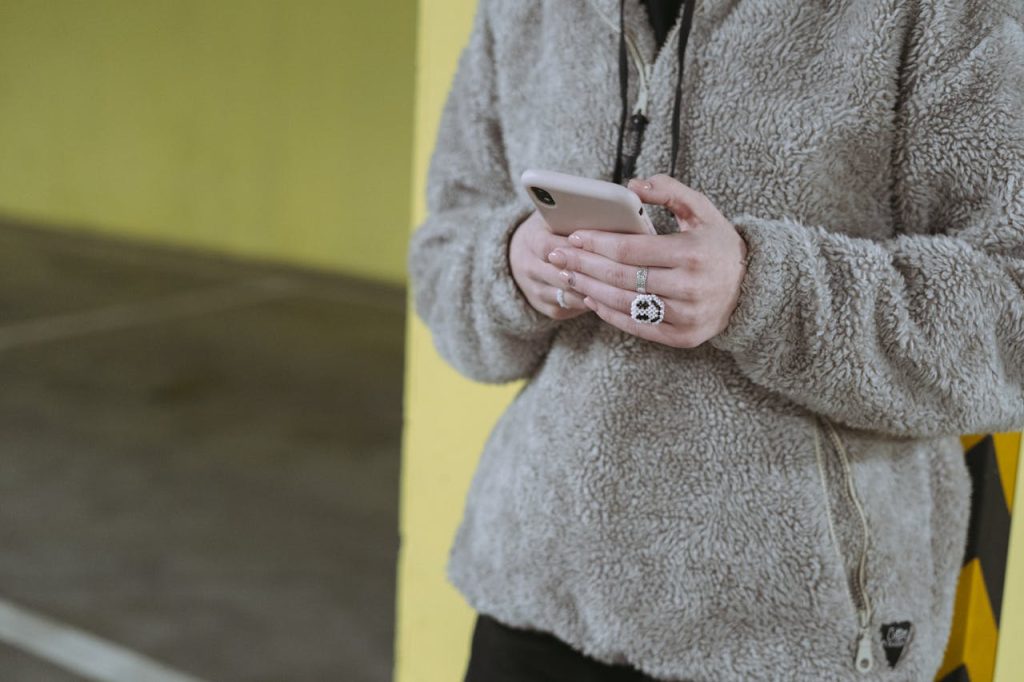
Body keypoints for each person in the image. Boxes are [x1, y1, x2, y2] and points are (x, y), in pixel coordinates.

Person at [407, 0, 1024, 679]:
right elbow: (443, 255)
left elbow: (1010, 312)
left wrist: (756, 288)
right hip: (534, 595)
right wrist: (512, 266)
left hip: (795, 635)